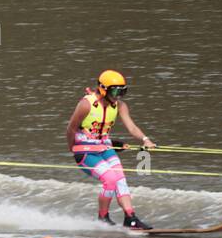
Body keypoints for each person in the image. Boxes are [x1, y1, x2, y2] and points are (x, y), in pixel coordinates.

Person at [67, 69, 157, 229]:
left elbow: (131, 126)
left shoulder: (120, 106)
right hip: (85, 151)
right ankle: (103, 218)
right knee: (109, 179)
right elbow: (71, 129)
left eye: (122, 92)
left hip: (105, 148)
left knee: (120, 179)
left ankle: (130, 218)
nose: (118, 96)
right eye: (115, 91)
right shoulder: (86, 104)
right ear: (103, 89)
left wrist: (146, 140)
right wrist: (72, 149)